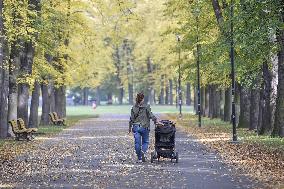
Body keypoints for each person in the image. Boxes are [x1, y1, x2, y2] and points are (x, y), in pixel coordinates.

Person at [129, 93, 157, 163]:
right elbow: (151, 115)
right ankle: (142, 152)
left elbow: (131, 119)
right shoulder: (146, 106)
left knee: (137, 143)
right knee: (145, 142)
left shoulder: (133, 107)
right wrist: (156, 121)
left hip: (136, 127)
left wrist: (129, 128)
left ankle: (139, 158)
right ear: (143, 98)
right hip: (144, 127)